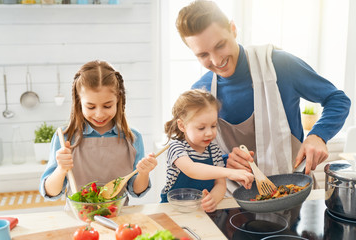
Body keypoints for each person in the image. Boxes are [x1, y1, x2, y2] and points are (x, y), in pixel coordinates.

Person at [176, 1, 351, 194]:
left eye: (220, 45)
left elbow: (337, 99)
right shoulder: (201, 93)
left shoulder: (280, 65)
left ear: (233, 29)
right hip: (234, 201)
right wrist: (226, 162)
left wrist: (318, 135)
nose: (217, 60)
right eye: (203, 55)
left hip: (293, 191)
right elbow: (198, 156)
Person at [39, 60, 157, 201]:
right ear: (79, 101)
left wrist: (144, 173)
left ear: (118, 99)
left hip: (119, 218)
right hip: (79, 217)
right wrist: (61, 169)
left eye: (107, 106)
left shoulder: (132, 138)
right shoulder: (64, 138)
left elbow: (137, 190)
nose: (99, 114)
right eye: (91, 107)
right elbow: (51, 193)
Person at [160, 89, 254, 212]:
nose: (209, 133)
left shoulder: (214, 150)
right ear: (182, 126)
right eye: (201, 128)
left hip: (200, 211)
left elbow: (220, 184)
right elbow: (192, 169)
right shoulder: (176, 147)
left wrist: (213, 199)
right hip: (173, 211)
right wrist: (229, 172)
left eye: (213, 126)